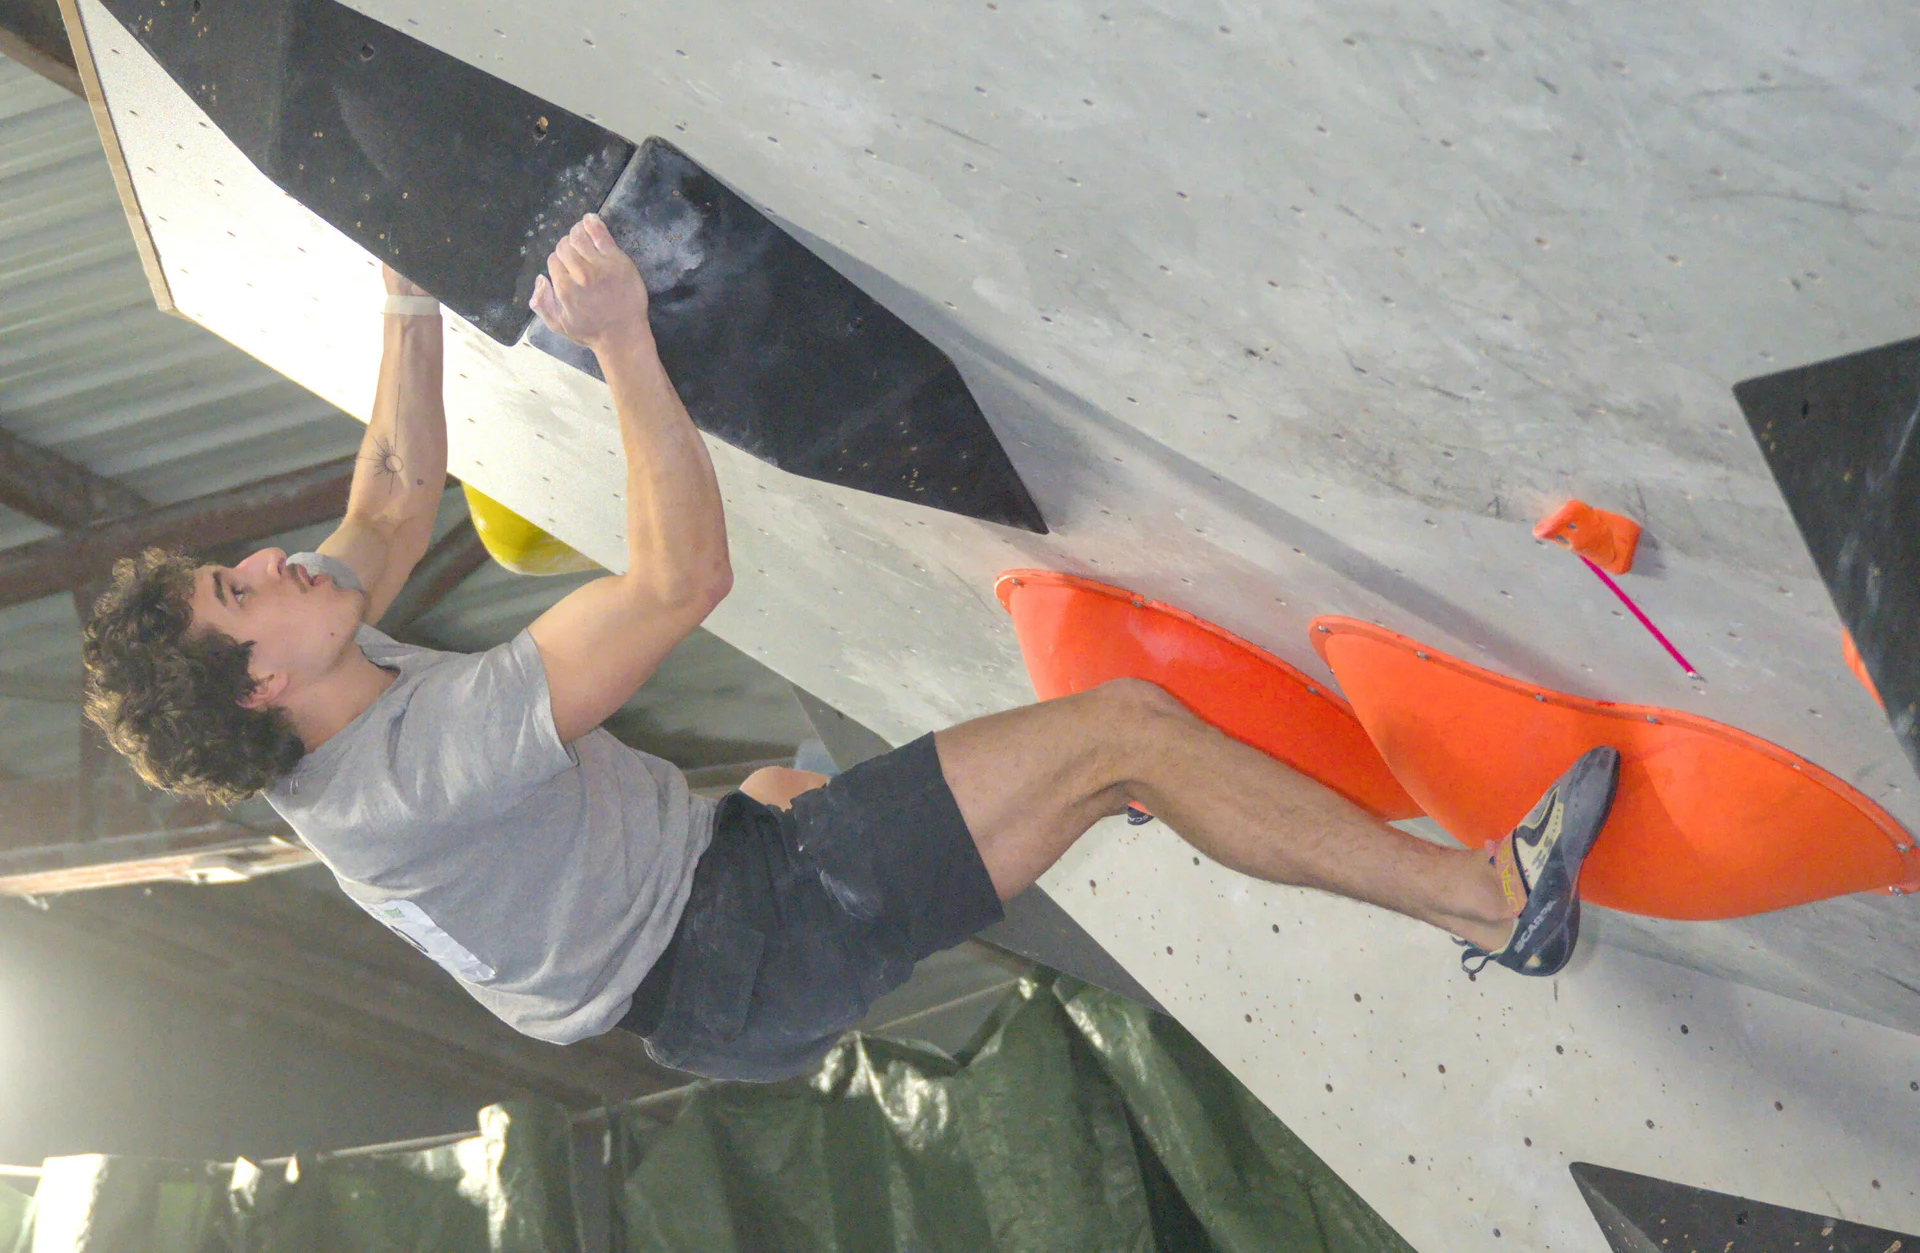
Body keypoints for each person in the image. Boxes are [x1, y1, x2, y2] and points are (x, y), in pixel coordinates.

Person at [81, 215, 1619, 1081]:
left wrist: (406, 281)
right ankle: (1488, 895)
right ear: (261, 682)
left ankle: (1091, 806)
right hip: (747, 947)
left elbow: (394, 494)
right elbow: (685, 577)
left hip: (709, 909)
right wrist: (622, 334)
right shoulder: (410, 772)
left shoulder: (314, 679)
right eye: (243, 593)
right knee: (1124, 729)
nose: (274, 564)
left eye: (236, 566)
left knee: (789, 778)